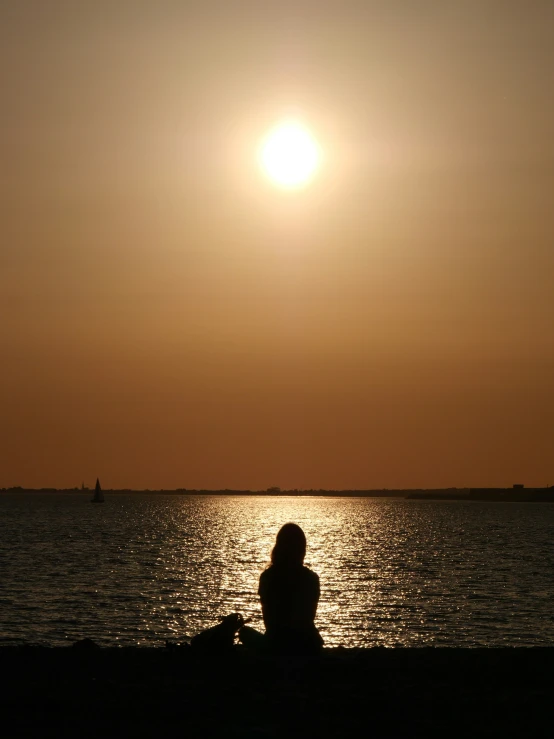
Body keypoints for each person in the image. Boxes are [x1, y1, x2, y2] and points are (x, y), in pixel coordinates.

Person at [240, 523, 323, 654]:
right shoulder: (312, 578)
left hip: (276, 644)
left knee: (244, 632)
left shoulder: (267, 577)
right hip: (307, 643)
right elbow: (309, 617)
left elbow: (269, 622)